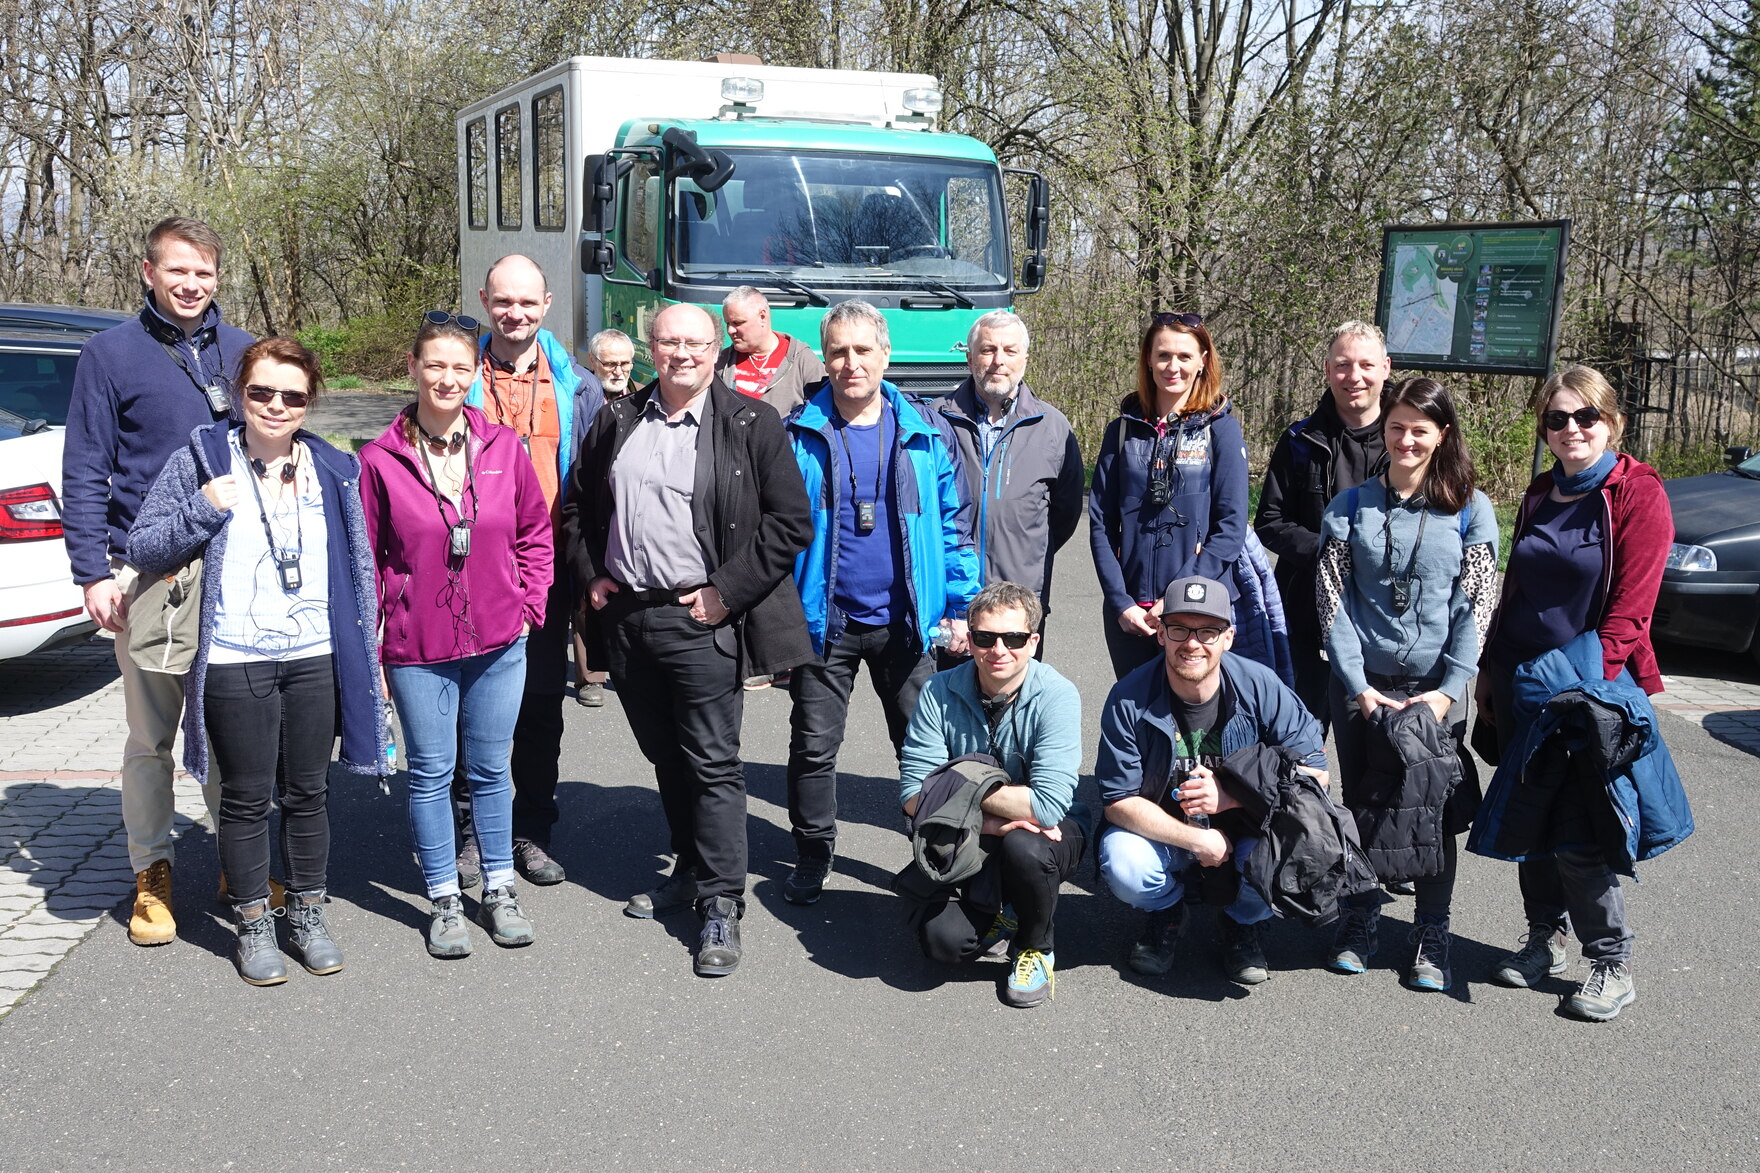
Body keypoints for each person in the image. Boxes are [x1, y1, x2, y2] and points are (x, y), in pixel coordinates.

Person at [126, 338, 389, 984]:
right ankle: (251, 922)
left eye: (292, 395)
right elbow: (143, 543)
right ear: (239, 394)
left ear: (309, 402)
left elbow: (359, 568)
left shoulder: (333, 466)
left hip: (312, 657)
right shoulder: (202, 457)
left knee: (308, 794)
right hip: (234, 657)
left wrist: (369, 653)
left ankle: (305, 911)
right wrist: (203, 508)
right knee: (245, 800)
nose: (275, 405)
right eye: (261, 392)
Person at [562, 303, 812, 977]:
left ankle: (721, 904)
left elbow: (790, 523)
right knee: (664, 756)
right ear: (652, 347)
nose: (683, 353)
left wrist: (725, 592)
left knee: (712, 763)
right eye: (670, 341)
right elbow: (578, 505)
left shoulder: (751, 423)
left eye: (697, 342)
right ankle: (691, 868)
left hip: (702, 620)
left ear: (714, 351)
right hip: (630, 620)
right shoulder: (617, 419)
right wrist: (591, 578)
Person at [61, 216, 253, 946]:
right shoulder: (108, 355)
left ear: (216, 276)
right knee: (151, 739)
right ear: (148, 271)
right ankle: (152, 875)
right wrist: (93, 573)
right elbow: (86, 469)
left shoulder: (242, 352)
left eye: (203, 273)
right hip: (148, 572)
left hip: (236, 572)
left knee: (231, 730)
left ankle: (240, 859)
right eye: (178, 271)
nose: (191, 284)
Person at [1472, 366, 1674, 1021]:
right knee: (1531, 824)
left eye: (1583, 416)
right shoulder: (1538, 492)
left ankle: (1611, 963)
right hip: (1517, 682)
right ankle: (1543, 939)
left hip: (1588, 691)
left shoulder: (1637, 495)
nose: (1569, 430)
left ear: (1611, 421)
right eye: (1555, 419)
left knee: (1583, 832)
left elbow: (1629, 615)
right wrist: (1488, 669)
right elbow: (1516, 589)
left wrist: (1566, 679)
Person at [358, 313, 553, 958]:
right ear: (413, 367)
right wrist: (376, 642)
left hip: (500, 642)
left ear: (475, 375)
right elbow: (367, 557)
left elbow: (533, 533)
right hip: (420, 650)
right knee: (432, 774)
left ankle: (498, 888)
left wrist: (528, 604)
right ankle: (445, 897)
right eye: (434, 365)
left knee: (493, 770)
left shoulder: (503, 449)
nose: (447, 378)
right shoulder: (379, 460)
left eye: (459, 367)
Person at [782, 299, 980, 906]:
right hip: (826, 623)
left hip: (907, 625)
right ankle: (814, 854)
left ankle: (930, 854)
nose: (850, 363)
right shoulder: (799, 432)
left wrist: (961, 606)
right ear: (826, 357)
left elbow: (953, 528)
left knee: (919, 748)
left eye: (862, 350)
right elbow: (780, 530)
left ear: (884, 355)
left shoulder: (924, 432)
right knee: (814, 748)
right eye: (838, 351)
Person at [1315, 377, 1498, 992]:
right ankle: (1361, 918)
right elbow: (1332, 602)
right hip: (1362, 687)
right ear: (1384, 431)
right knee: (1365, 803)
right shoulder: (1349, 507)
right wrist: (1358, 685)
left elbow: (1477, 603)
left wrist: (1450, 689)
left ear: (1441, 433)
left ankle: (1431, 931)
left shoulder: (1471, 508)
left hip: (1434, 687)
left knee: (1433, 809)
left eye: (1421, 429)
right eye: (1397, 427)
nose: (1406, 439)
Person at [449, 255, 605, 887]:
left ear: (546, 306)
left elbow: (595, 485)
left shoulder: (580, 386)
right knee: (469, 708)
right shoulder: (456, 375)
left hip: (544, 569)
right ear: (485, 299)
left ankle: (530, 832)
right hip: (470, 570)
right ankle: (468, 834)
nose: (515, 313)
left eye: (528, 303)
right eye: (503, 301)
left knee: (540, 708)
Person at [1096, 576, 1327, 985]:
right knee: (1124, 863)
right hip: (1166, 832)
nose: (1192, 643)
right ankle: (1167, 911)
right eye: (1179, 629)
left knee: (1294, 851)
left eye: (1207, 631)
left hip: (1251, 828)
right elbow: (1118, 798)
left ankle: (1242, 922)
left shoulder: (1261, 686)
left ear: (1228, 637)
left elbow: (1316, 774)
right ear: (1161, 633)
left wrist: (1233, 797)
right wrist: (1197, 840)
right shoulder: (1128, 697)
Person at [898, 582, 1087, 1008]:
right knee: (941, 944)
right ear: (970, 637)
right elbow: (912, 794)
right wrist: (993, 819)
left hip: (1052, 835)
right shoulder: (938, 691)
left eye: (1014, 638)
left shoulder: (1057, 695)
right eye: (985, 637)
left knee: (1026, 847)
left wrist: (957, 786)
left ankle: (1035, 945)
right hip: (980, 834)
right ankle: (1007, 911)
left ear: (1033, 641)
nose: (998, 649)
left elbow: (1048, 807)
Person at [1089, 312, 1250, 680]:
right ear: (1148, 358)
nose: (1172, 366)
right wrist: (1119, 602)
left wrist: (1178, 598)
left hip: (1196, 613)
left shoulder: (1221, 430)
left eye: (1184, 356)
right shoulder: (1122, 431)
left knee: (1194, 719)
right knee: (1136, 717)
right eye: (1163, 355)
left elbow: (1230, 528)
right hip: (1131, 617)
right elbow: (1100, 523)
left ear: (1202, 362)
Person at [1255, 320, 1392, 729]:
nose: (1355, 377)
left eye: (1366, 365)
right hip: (1305, 617)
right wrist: (1330, 554)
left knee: (1377, 747)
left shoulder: (1408, 440)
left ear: (1385, 368)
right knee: (1297, 739)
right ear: (1328, 370)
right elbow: (1270, 521)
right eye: (1343, 365)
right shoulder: (1299, 440)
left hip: (1383, 624)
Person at [932, 311, 1083, 654]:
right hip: (949, 605)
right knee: (949, 702)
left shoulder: (1053, 428)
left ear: (1025, 359)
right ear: (970, 358)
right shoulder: (935, 420)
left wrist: (1023, 555)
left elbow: (1064, 515)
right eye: (987, 350)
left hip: (1020, 605)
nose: (998, 361)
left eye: (1010, 351)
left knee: (1018, 703)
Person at [715, 285, 826, 415]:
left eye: (737, 323)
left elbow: (823, 412)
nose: (730, 331)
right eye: (728, 323)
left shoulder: (802, 360)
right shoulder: (720, 362)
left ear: (762, 317)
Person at [587, 328, 636, 400]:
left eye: (624, 364)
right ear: (592, 361)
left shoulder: (644, 397)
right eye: (610, 364)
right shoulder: (580, 399)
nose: (618, 372)